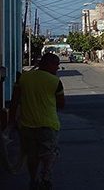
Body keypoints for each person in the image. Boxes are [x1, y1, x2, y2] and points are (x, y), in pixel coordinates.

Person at [9, 52, 64, 189]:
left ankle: (33, 180)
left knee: (32, 155)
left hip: (27, 125)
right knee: (49, 154)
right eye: (56, 65)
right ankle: (45, 178)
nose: (57, 68)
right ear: (49, 64)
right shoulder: (55, 81)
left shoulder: (23, 78)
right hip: (48, 125)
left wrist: (11, 121)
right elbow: (61, 104)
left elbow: (14, 102)